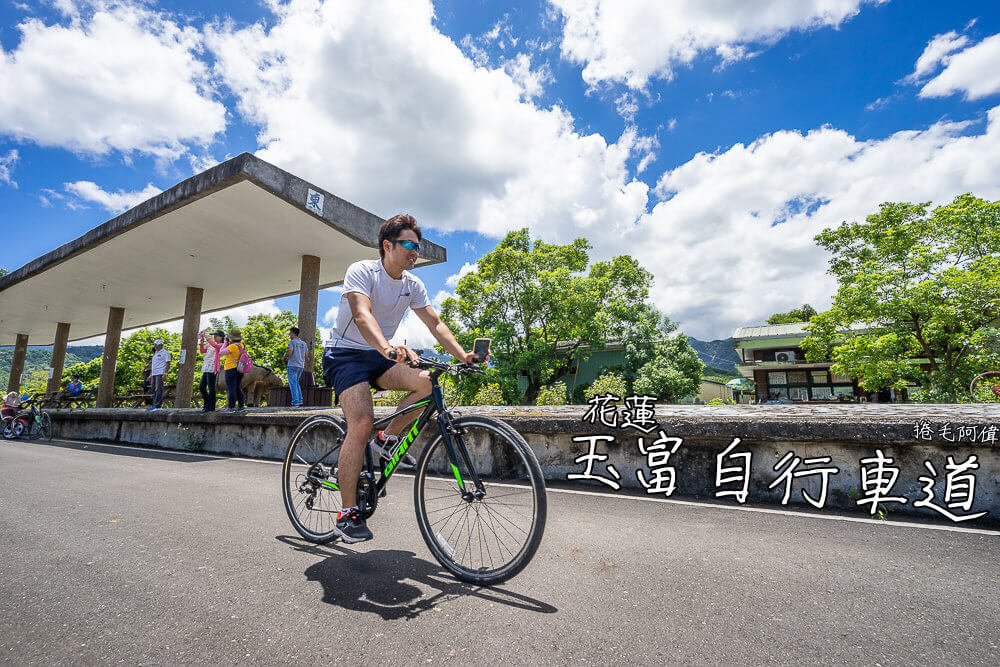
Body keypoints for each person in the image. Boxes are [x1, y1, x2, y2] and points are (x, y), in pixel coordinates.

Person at [322, 213, 482, 543]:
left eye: (417, 246)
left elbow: (435, 324)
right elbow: (361, 315)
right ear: (387, 246)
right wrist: (387, 347)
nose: (414, 251)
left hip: (380, 355)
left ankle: (387, 441)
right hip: (346, 354)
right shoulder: (363, 271)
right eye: (408, 244)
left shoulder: (413, 285)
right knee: (362, 423)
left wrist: (463, 355)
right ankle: (347, 513)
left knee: (426, 382)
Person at [198, 329, 225, 412]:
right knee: (201, 387)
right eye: (214, 336)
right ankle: (207, 403)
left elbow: (215, 346)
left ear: (221, 337)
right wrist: (201, 341)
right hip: (206, 367)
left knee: (211, 388)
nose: (215, 337)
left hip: (213, 367)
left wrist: (206, 337)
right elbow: (202, 351)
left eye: (216, 336)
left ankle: (211, 406)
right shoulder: (210, 346)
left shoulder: (222, 345)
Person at [282, 326, 308, 407]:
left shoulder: (292, 342)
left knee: (293, 384)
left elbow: (290, 351)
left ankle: (295, 402)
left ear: (293, 333)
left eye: (290, 333)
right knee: (296, 383)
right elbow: (306, 355)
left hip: (292, 365)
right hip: (300, 365)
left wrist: (284, 357)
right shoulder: (304, 344)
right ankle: (300, 400)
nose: (289, 335)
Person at [222, 329, 246, 412]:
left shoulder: (232, 346)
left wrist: (225, 342)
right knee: (237, 388)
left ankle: (231, 407)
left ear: (231, 338)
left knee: (231, 388)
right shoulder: (242, 345)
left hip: (230, 369)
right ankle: (241, 406)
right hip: (240, 369)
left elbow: (220, 352)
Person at [147, 339, 171, 411]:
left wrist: (165, 374)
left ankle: (158, 406)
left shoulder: (165, 353)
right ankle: (155, 405)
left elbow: (168, 364)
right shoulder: (155, 354)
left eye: (157, 345)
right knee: (153, 389)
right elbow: (154, 365)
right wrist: (151, 375)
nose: (155, 347)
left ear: (161, 345)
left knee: (158, 389)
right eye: (155, 345)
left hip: (160, 373)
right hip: (154, 373)